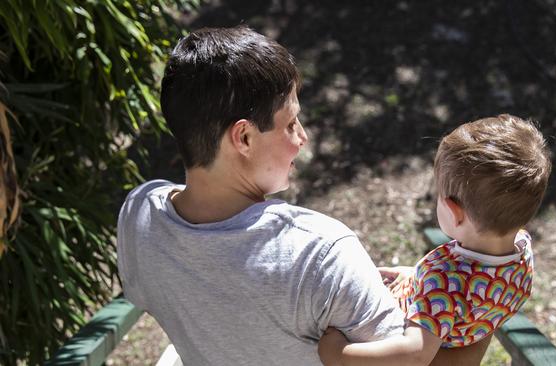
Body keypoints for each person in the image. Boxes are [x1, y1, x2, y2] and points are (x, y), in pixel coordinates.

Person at [116, 26, 407, 365]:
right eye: (290, 124)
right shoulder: (320, 253)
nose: (303, 137)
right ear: (244, 138)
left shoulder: (138, 215)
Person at [318, 115, 552, 366]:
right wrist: (412, 275)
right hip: (446, 319)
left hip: (398, 330)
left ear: (454, 212)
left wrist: (340, 355)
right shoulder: (522, 249)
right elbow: (471, 299)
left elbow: (414, 354)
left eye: (438, 195)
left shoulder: (444, 281)